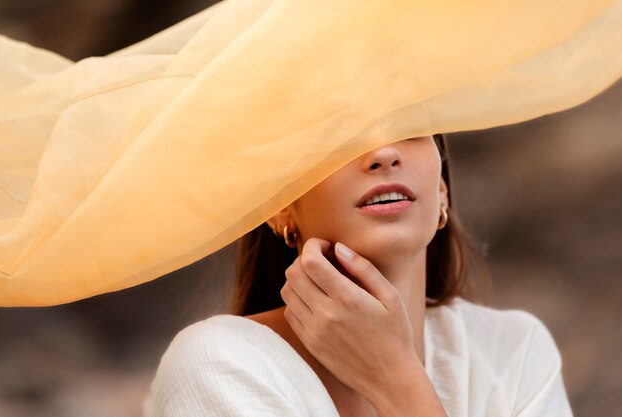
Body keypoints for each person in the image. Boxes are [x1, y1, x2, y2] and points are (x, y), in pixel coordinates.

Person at [145, 135, 573, 417]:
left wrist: (396, 379)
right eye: (341, 134)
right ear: (281, 206)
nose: (384, 153)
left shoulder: (513, 353)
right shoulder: (220, 365)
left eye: (407, 124)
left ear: (442, 188)